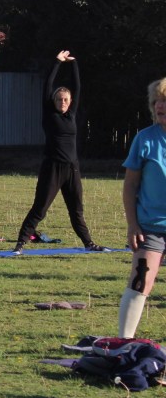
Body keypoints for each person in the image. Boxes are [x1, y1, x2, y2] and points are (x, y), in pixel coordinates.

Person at [11, 51, 107, 254]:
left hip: (72, 168)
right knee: (40, 209)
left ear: (70, 101)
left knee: (76, 210)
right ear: (54, 101)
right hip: (52, 168)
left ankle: (89, 243)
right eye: (59, 99)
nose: (62, 102)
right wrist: (57, 62)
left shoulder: (71, 114)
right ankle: (20, 244)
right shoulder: (49, 114)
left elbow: (77, 87)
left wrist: (74, 64)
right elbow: (48, 86)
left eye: (65, 99)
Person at [117, 77, 166, 338]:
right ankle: (124, 343)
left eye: (165, 101)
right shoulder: (145, 139)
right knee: (140, 280)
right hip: (150, 227)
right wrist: (132, 225)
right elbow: (130, 186)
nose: (160, 106)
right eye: (156, 101)